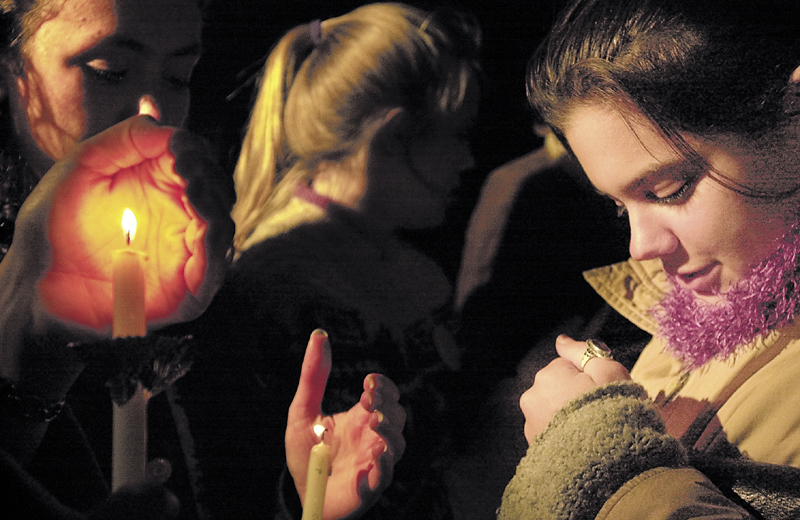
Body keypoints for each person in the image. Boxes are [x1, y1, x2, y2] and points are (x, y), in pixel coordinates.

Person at [0, 1, 405, 519]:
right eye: (110, 72)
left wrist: (310, 499)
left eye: (177, 76)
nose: (152, 112)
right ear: (10, 66)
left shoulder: (194, 272)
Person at [497, 0, 800, 517]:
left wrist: (600, 460)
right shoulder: (695, 313)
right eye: (619, 206)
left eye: (669, 188)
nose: (640, 247)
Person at [179, 3, 481, 518]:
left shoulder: (410, 267)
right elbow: (233, 489)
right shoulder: (270, 284)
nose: (469, 160)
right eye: (455, 135)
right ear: (394, 135)